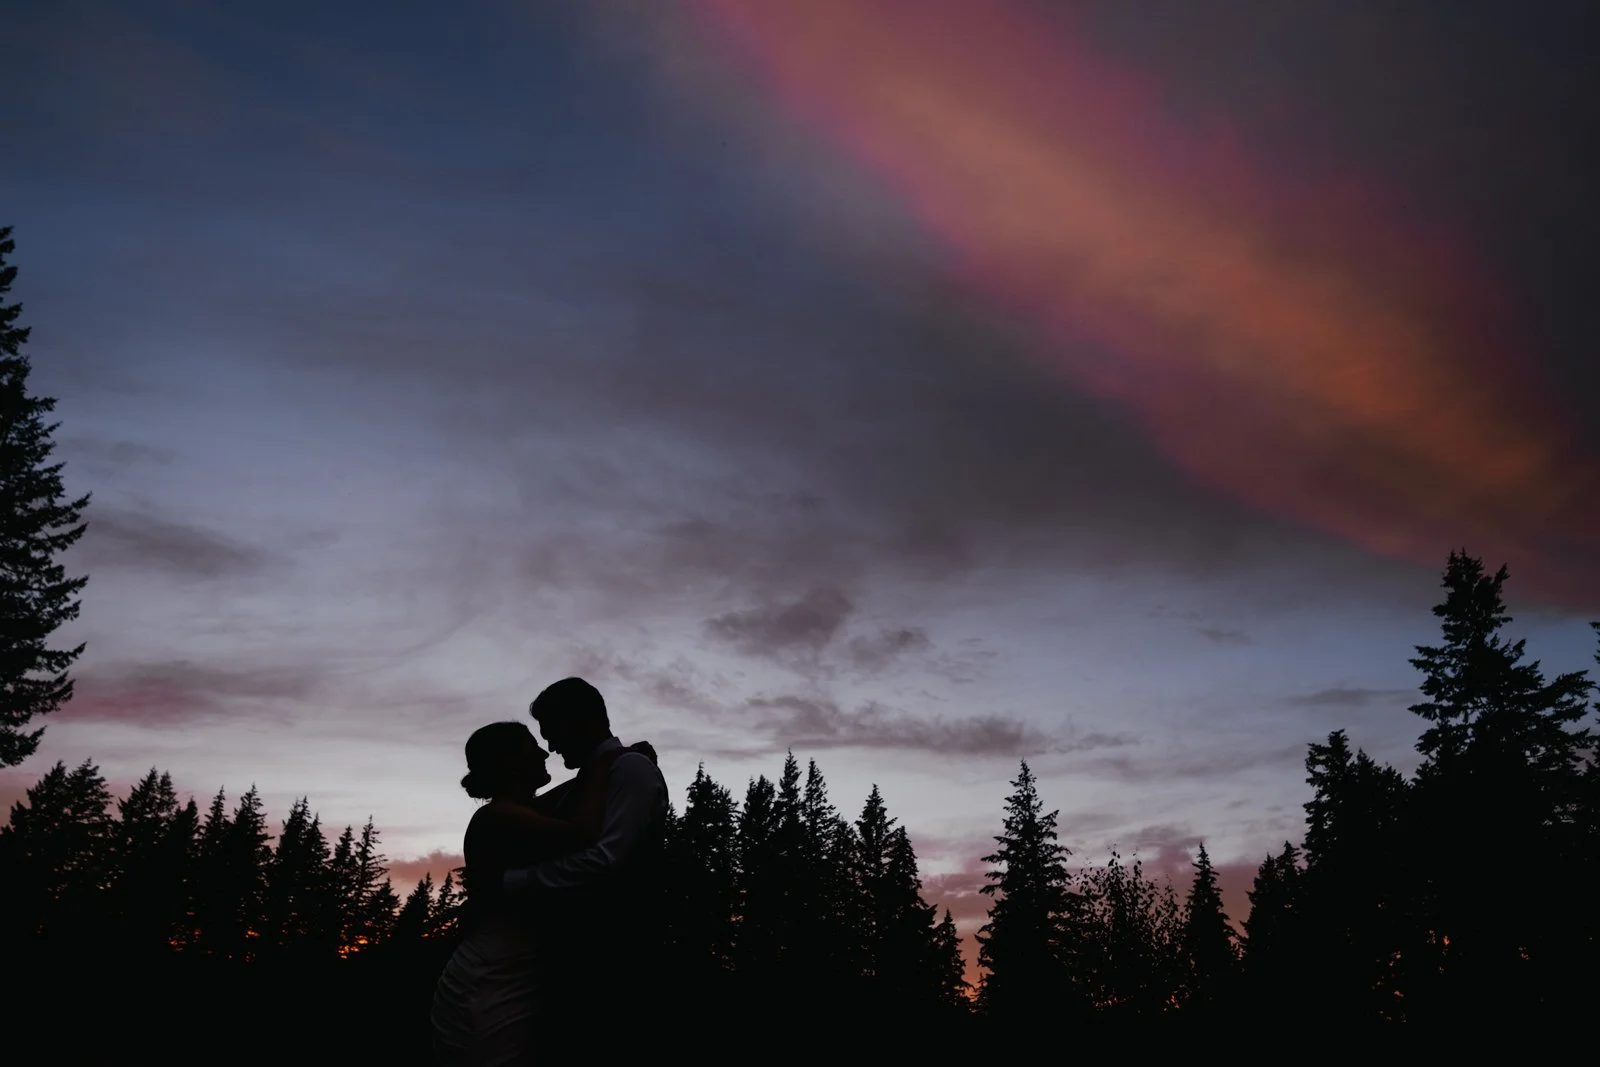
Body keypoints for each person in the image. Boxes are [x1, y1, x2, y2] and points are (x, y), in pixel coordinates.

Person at [429, 719, 652, 1066]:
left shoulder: (517, 811)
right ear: (510, 762)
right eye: (531, 746)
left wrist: (611, 763)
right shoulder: (497, 817)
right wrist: (605, 763)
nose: (544, 753)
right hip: (489, 979)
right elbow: (582, 833)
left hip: (510, 971)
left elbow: (570, 792)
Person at [502, 677, 671, 1032]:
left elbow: (608, 860)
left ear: (578, 720)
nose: (550, 746)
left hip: (615, 960)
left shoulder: (630, 769)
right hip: (574, 961)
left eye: (552, 732)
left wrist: (511, 883)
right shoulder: (597, 776)